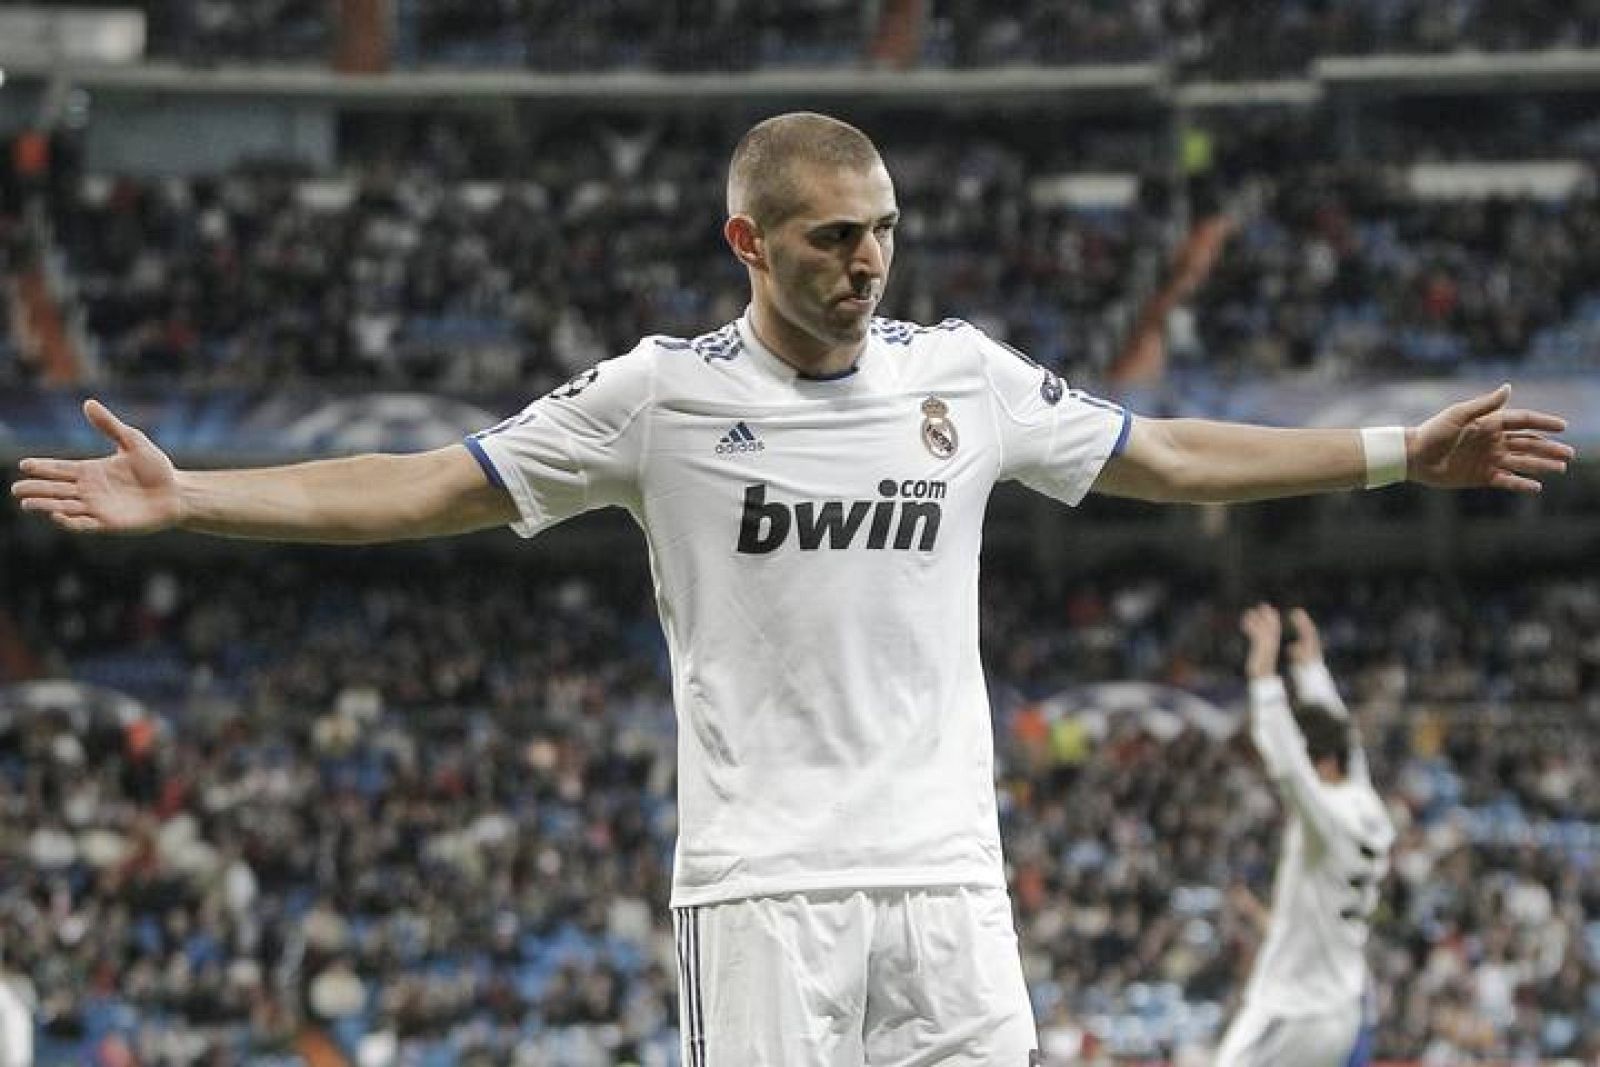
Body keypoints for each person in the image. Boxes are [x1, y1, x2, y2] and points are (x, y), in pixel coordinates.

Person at [10, 112, 1573, 1066]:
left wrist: (1393, 453)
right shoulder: (657, 395)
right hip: (765, 890)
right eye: (834, 238)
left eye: (884, 232)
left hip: (951, 879)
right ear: (748, 242)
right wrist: (193, 494)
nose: (868, 262)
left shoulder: (962, 374)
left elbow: (1164, 452)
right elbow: (424, 483)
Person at [1217, 605, 1396, 1067]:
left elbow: (1290, 765)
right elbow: (1341, 740)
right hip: (1342, 1011)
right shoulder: (1367, 804)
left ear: (1325, 763)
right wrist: (1311, 668)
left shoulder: (1328, 818)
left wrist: (1264, 678)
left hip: (1292, 1010)